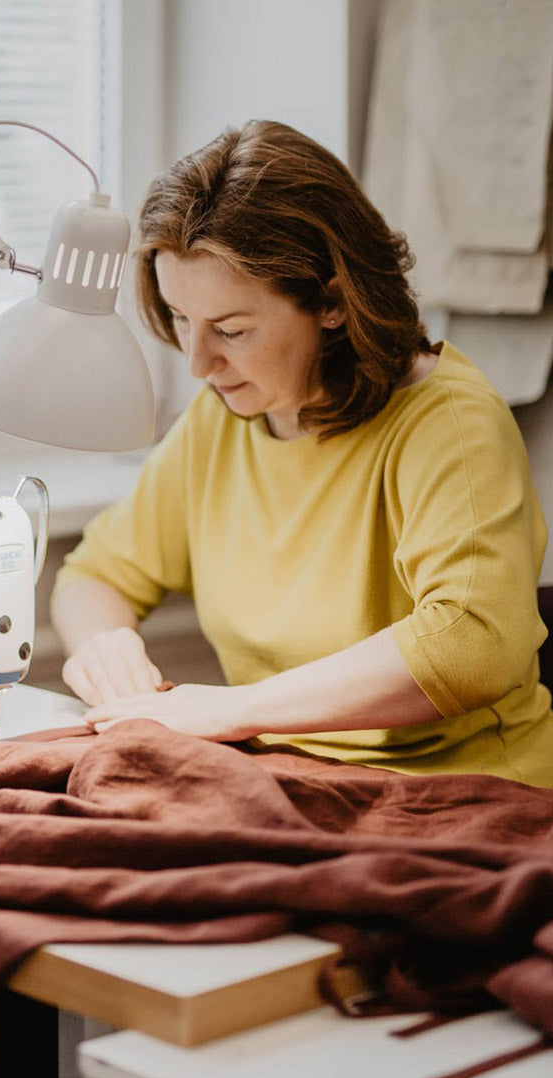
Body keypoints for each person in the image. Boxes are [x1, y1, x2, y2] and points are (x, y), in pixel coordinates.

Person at [51, 119, 553, 787]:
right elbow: (95, 574)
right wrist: (106, 649)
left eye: (230, 329)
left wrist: (232, 712)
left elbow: (470, 645)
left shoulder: (448, 424)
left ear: (333, 303)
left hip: (463, 790)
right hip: (293, 781)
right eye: (179, 318)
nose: (198, 363)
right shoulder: (224, 417)